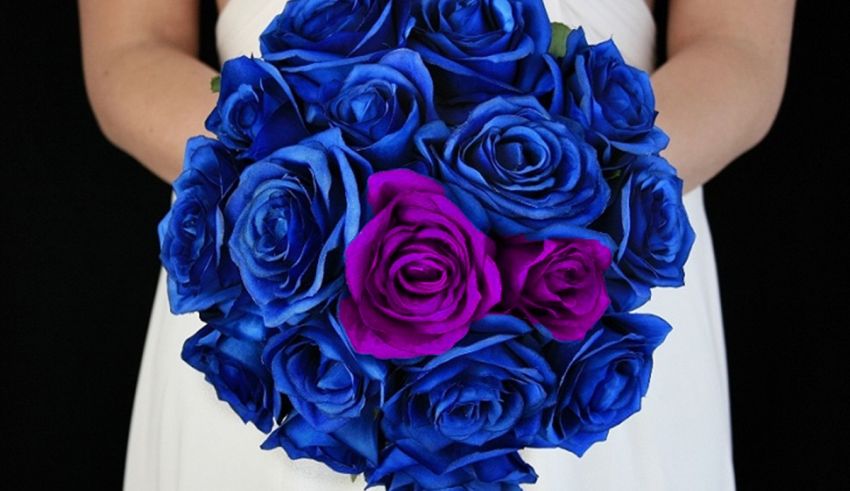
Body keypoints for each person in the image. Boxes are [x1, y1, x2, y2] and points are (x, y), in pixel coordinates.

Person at [79, 0, 795, 489]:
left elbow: (739, 53)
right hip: (275, 294)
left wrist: (573, 198)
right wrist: (299, 191)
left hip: (583, 284)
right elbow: (129, 52)